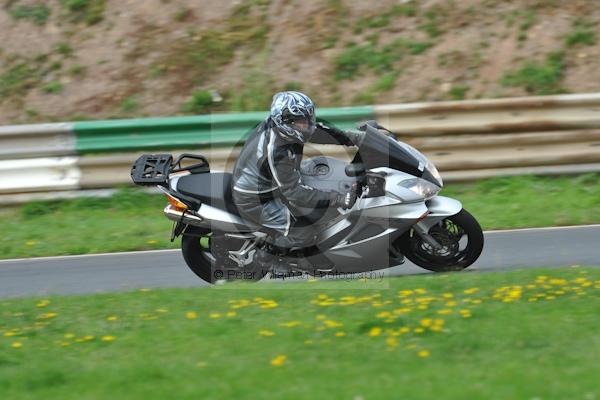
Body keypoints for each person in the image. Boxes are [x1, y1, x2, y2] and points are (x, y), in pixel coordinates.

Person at [231, 91, 363, 270]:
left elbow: (322, 133)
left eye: (309, 118)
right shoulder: (277, 151)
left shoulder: (289, 131)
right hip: (256, 199)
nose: (308, 125)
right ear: (286, 123)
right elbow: (294, 193)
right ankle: (270, 254)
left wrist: (358, 139)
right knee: (303, 230)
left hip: (274, 182)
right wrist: (338, 198)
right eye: (302, 121)